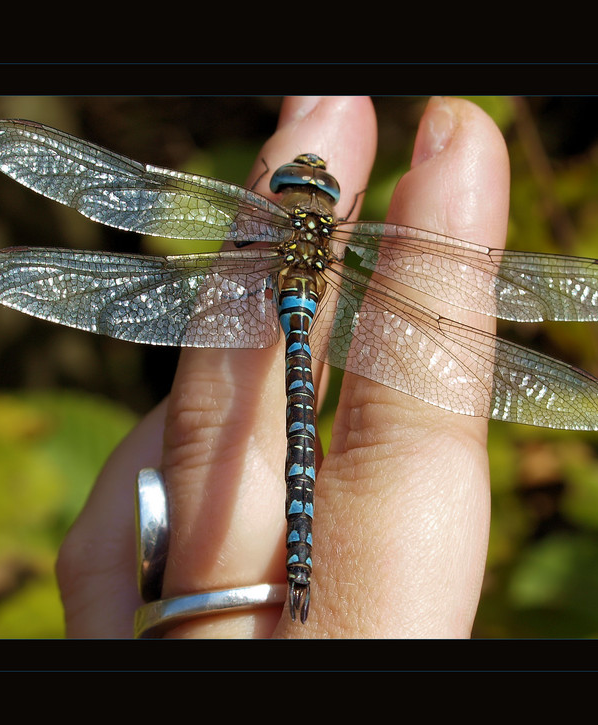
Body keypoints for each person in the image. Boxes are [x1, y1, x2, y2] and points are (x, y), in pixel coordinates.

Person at [55, 96, 510, 638]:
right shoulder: (337, 241)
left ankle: (287, 569)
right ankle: (300, 567)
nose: (313, 181)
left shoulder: (261, 227)